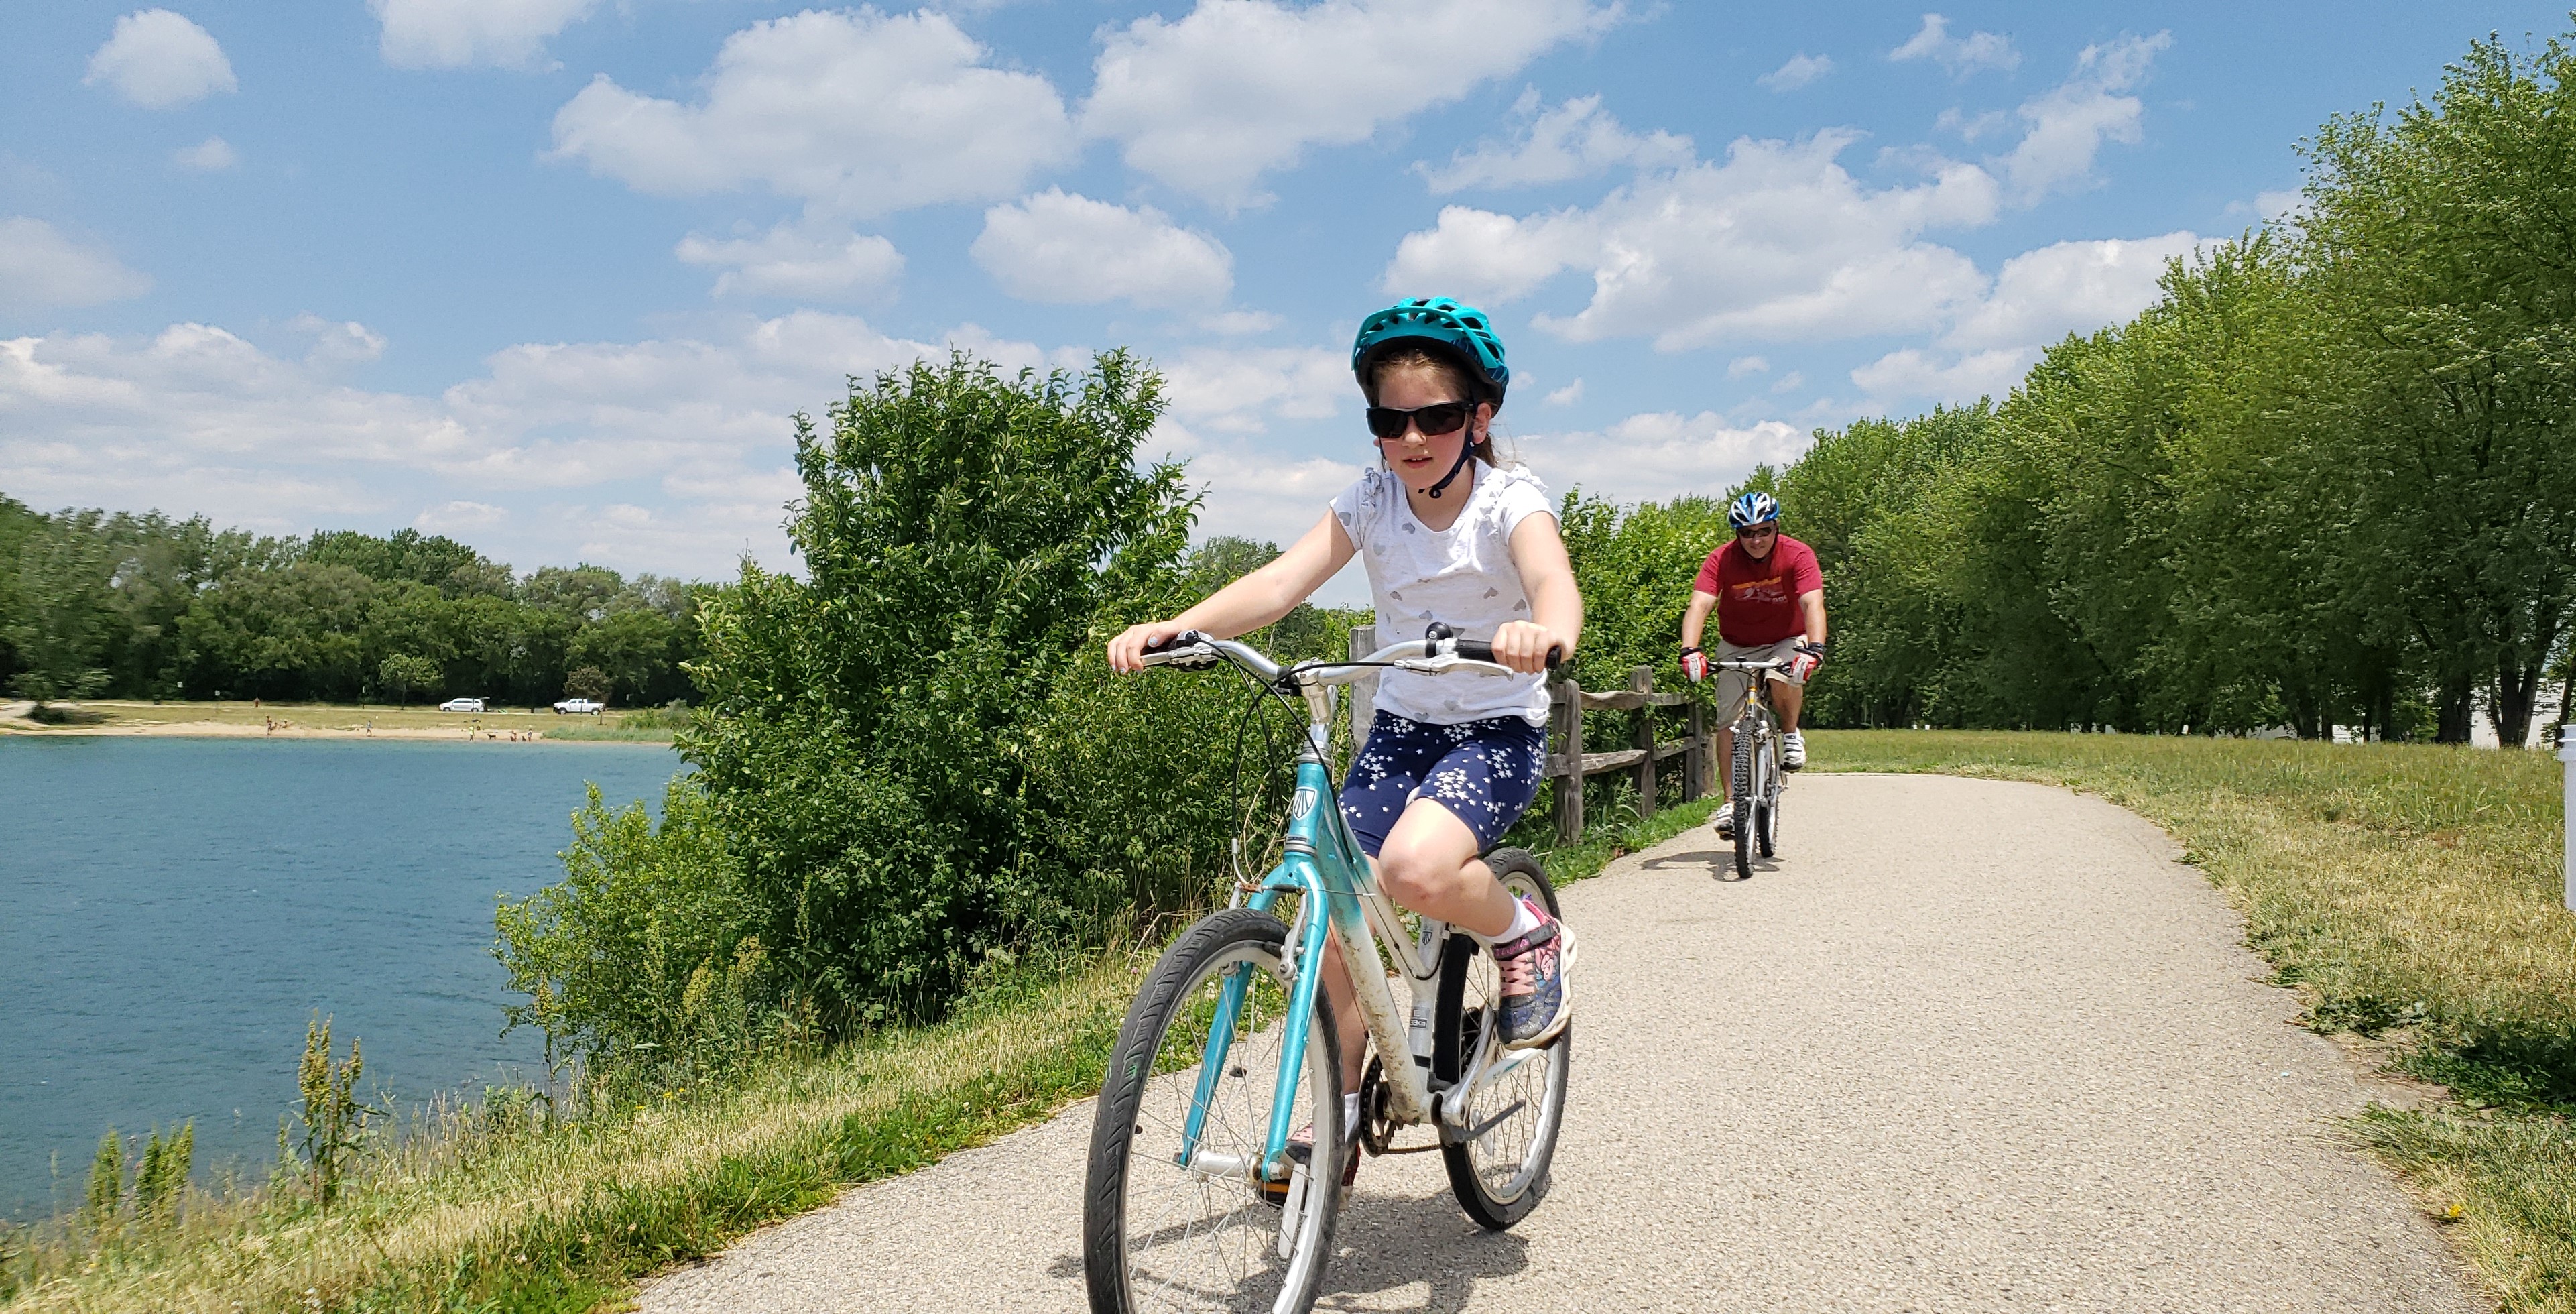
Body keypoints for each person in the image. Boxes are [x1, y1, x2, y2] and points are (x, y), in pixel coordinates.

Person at [1109, 297, 1583, 1177]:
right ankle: (1331, 1111)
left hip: (1491, 736)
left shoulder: (1507, 500)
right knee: (1331, 913)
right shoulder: (1370, 499)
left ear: (1477, 420)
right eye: (1387, 418)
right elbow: (1283, 581)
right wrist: (1178, 626)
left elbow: (1549, 576)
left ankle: (1524, 933)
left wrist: (1545, 631)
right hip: (1402, 729)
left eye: (1434, 417)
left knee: (1413, 870)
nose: (1409, 437)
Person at [1678, 491, 1826, 837]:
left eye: (1764, 530)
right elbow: (1699, 606)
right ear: (1736, 534)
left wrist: (1814, 648)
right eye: (1747, 533)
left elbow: (1812, 603)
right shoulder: (1721, 560)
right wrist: (1690, 651)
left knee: (1783, 676)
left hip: (1786, 638)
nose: (1756, 540)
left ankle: (1790, 733)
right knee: (1728, 721)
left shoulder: (1797, 554)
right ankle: (1731, 802)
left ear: (1776, 527)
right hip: (1736, 644)